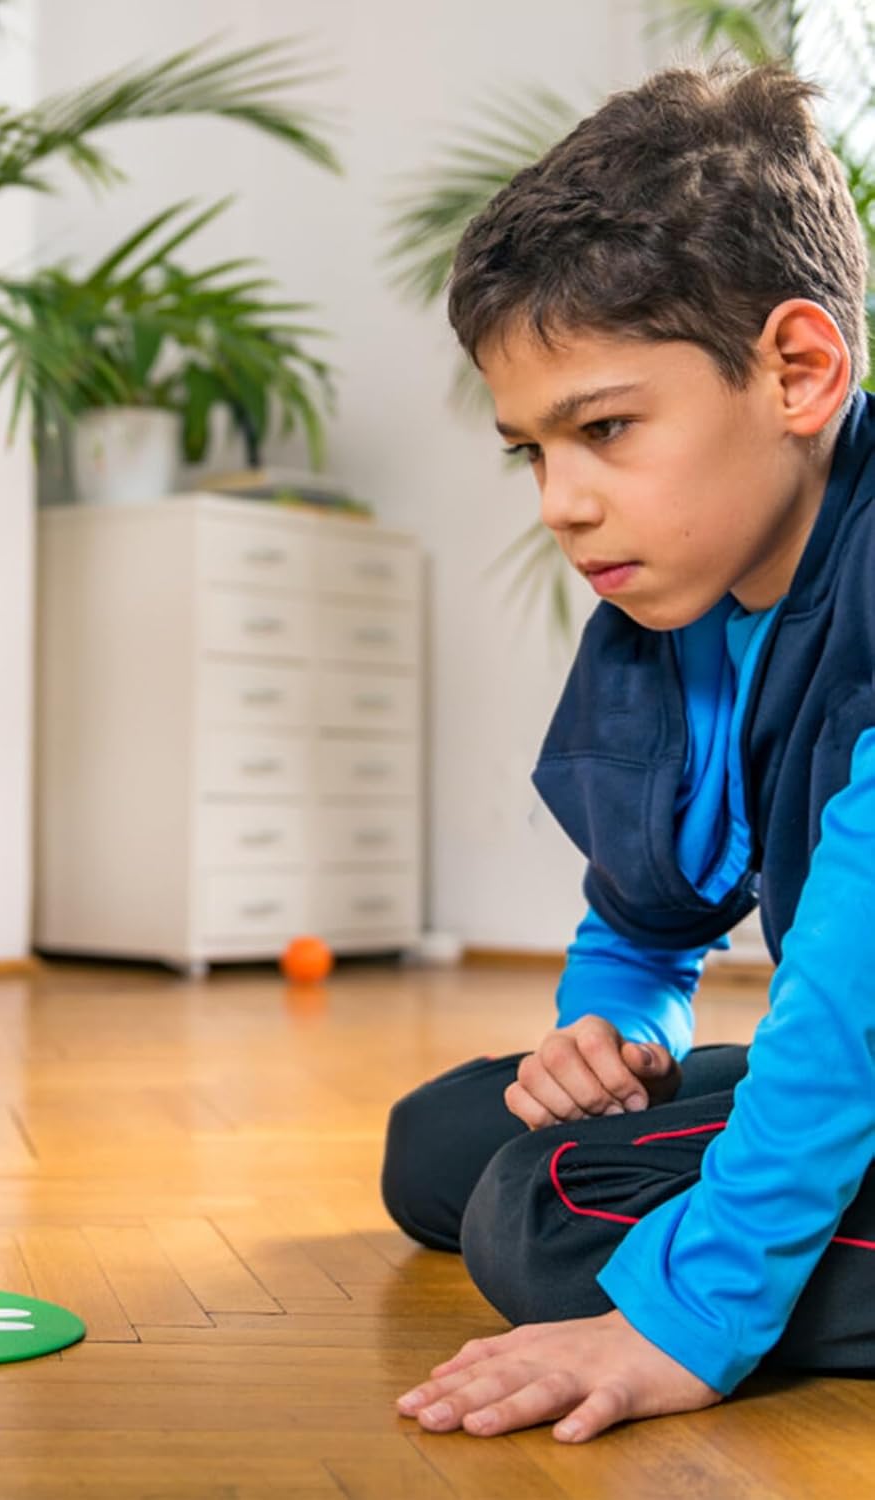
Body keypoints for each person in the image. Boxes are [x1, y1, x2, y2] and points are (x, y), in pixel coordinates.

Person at [381, 64, 875, 1442]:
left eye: (603, 429)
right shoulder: (679, 609)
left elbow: (848, 1002)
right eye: (532, 452)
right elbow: (647, 918)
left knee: (541, 1222)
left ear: (799, 370)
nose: (561, 502)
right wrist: (612, 1045)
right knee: (444, 1146)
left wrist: (687, 1315)